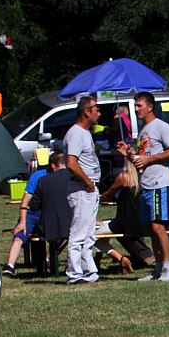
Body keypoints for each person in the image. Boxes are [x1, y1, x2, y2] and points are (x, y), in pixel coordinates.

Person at [118, 91, 169, 282]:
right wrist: (129, 155)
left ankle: (168, 270)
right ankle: (158, 269)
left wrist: (149, 159)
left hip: (158, 184)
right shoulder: (143, 131)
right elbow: (140, 161)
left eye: (139, 106)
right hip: (145, 185)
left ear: (150, 107)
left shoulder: (161, 126)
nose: (136, 109)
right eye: (135, 106)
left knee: (158, 226)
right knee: (151, 229)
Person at [63, 96, 103, 285]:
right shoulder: (76, 133)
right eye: (97, 109)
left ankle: (89, 272)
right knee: (78, 233)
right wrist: (87, 182)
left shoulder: (85, 133)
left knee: (88, 234)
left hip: (89, 188)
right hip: (81, 188)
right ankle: (74, 273)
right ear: (87, 112)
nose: (99, 113)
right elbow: (71, 163)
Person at [2, 161, 52, 276]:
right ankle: (10, 266)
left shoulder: (63, 177)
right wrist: (22, 222)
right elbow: (25, 201)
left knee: (62, 236)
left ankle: (47, 259)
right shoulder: (37, 176)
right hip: (33, 212)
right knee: (19, 236)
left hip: (50, 212)